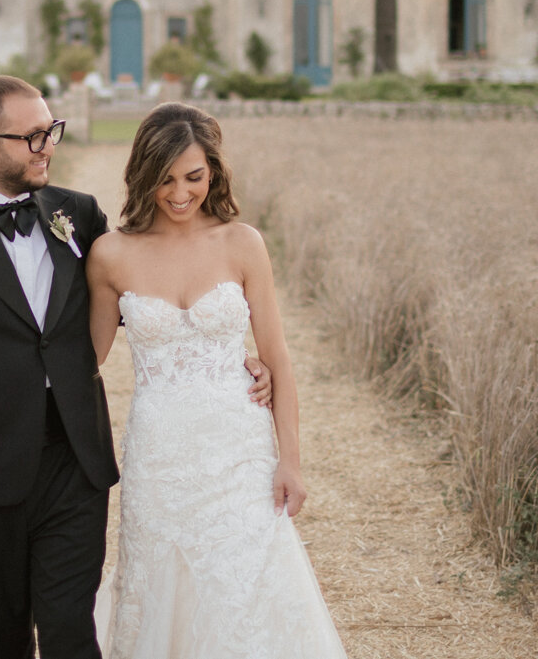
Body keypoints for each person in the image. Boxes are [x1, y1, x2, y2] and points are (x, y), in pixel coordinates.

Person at [0, 77, 271, 659]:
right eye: (33, 137)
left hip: (74, 460)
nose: (47, 146)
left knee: (70, 632)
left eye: (51, 131)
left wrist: (227, 351)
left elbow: (143, 292)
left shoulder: (77, 215)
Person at [86, 102, 347, 658]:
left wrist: (290, 461)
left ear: (214, 172)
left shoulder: (242, 243)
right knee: (160, 587)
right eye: (166, 180)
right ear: (143, 176)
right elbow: (84, 360)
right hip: (158, 457)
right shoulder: (110, 255)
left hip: (239, 450)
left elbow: (277, 356)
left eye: (194, 177)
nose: (180, 193)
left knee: (245, 588)